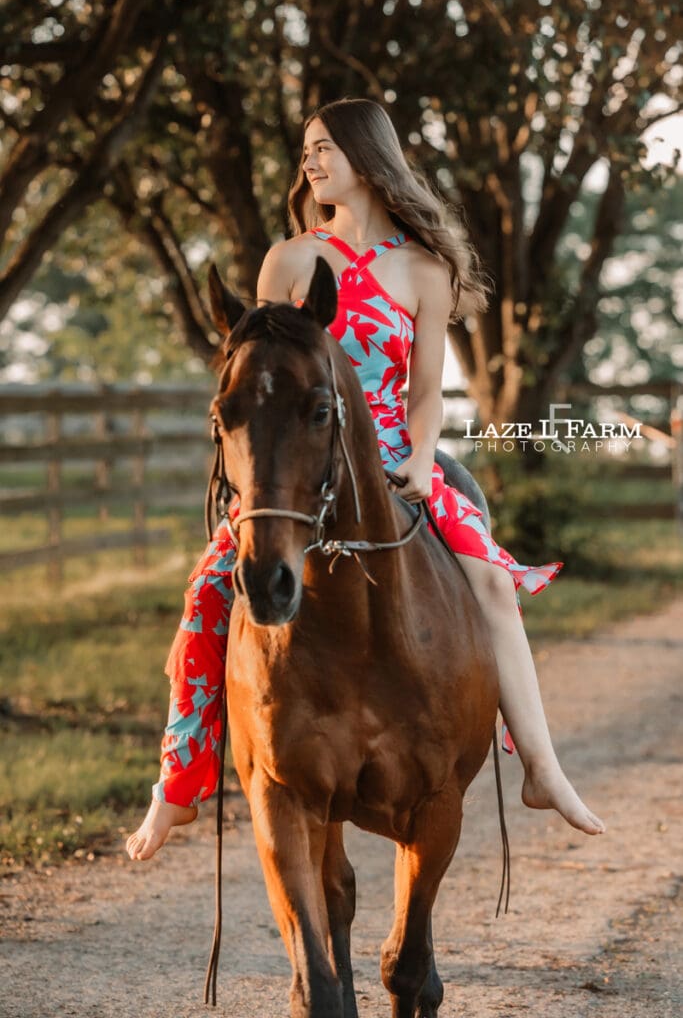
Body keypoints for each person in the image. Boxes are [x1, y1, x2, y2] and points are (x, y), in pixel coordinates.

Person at [126, 98, 604, 862]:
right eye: (306, 151)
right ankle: (178, 782)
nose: (310, 162)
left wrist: (419, 456)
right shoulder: (288, 261)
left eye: (324, 148)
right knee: (209, 588)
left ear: (366, 155)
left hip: (390, 455)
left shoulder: (423, 269)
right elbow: (269, 372)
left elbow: (426, 393)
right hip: (301, 459)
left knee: (490, 582)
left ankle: (542, 768)